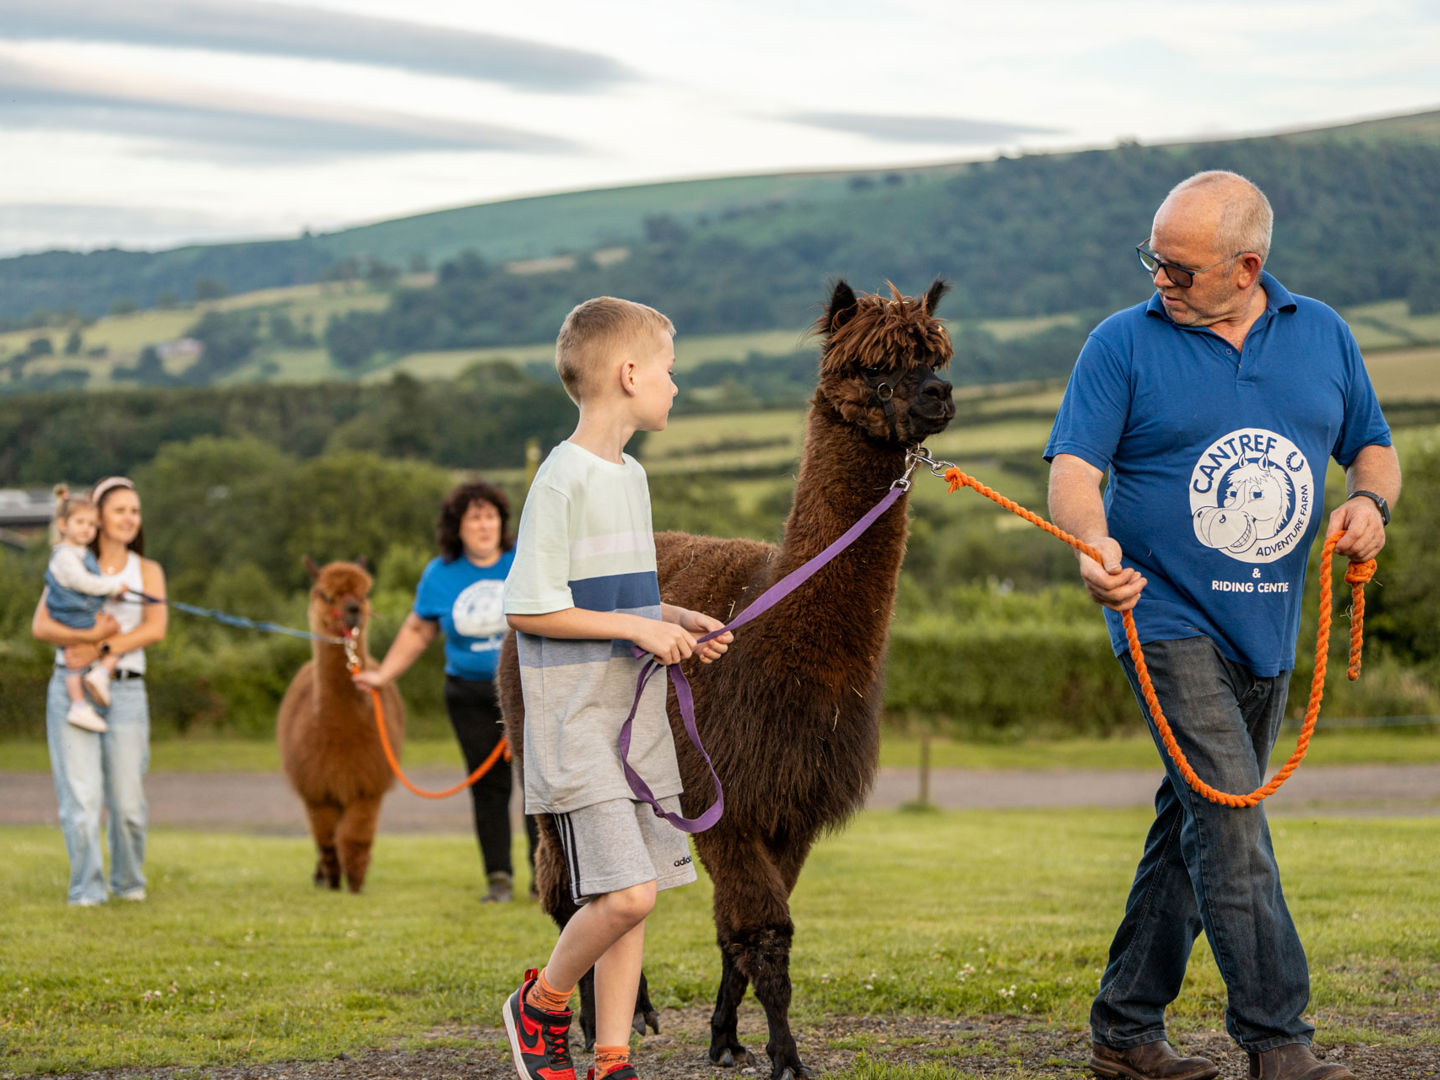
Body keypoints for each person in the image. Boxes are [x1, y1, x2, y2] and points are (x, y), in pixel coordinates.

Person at [1045, 171, 1399, 1080]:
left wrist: (1370, 504)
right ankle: (1279, 1042)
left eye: (1181, 268)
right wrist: (1093, 544)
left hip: (1268, 629)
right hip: (1162, 616)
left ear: (1246, 268)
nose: (1159, 278)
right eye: (1153, 259)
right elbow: (1075, 470)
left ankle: (1125, 1032)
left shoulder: (1323, 334)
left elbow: (1372, 446)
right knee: (1233, 822)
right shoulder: (1121, 342)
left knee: (1196, 823)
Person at [500, 296, 733, 1080]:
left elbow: (612, 598)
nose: (676, 385)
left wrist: (672, 617)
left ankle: (612, 1059)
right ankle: (540, 1005)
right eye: (669, 369)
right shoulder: (561, 479)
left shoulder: (631, 477)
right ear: (630, 374)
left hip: (634, 725)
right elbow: (530, 607)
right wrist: (641, 631)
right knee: (627, 895)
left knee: (636, 897)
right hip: (577, 728)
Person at [353, 479, 540, 903]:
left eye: (490, 516)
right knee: (488, 786)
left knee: (538, 783)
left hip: (528, 691)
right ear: (458, 527)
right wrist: (383, 676)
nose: (484, 525)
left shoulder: (525, 561)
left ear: (502, 522)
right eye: (474, 518)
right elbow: (418, 630)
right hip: (468, 695)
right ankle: (498, 879)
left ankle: (543, 877)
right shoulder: (439, 574)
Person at [32, 476, 169, 906]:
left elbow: (155, 628)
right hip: (70, 690)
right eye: (120, 510)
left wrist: (101, 646)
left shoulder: (147, 570)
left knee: (127, 805)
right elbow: (42, 626)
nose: (130, 518)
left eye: (135, 511)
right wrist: (87, 638)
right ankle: (87, 891)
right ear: (98, 517)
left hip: (125, 692)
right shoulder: (70, 563)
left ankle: (128, 884)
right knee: (82, 800)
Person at [45, 485, 128, 733]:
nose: (87, 528)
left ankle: (93, 683)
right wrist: (113, 587)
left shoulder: (78, 553)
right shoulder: (65, 556)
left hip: (80, 611)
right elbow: (84, 583)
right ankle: (83, 698)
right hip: (74, 614)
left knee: (83, 653)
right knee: (104, 641)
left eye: (91, 524)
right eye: (80, 522)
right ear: (63, 525)